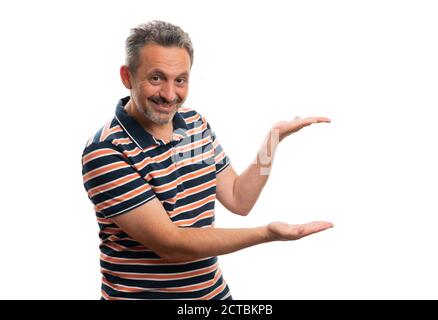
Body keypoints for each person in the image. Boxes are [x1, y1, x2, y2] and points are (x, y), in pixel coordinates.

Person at [81, 20, 333, 300]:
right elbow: (171, 244)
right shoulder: (106, 151)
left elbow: (239, 199)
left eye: (180, 80)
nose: (169, 94)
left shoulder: (194, 124)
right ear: (127, 76)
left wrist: (272, 141)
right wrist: (266, 234)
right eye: (156, 78)